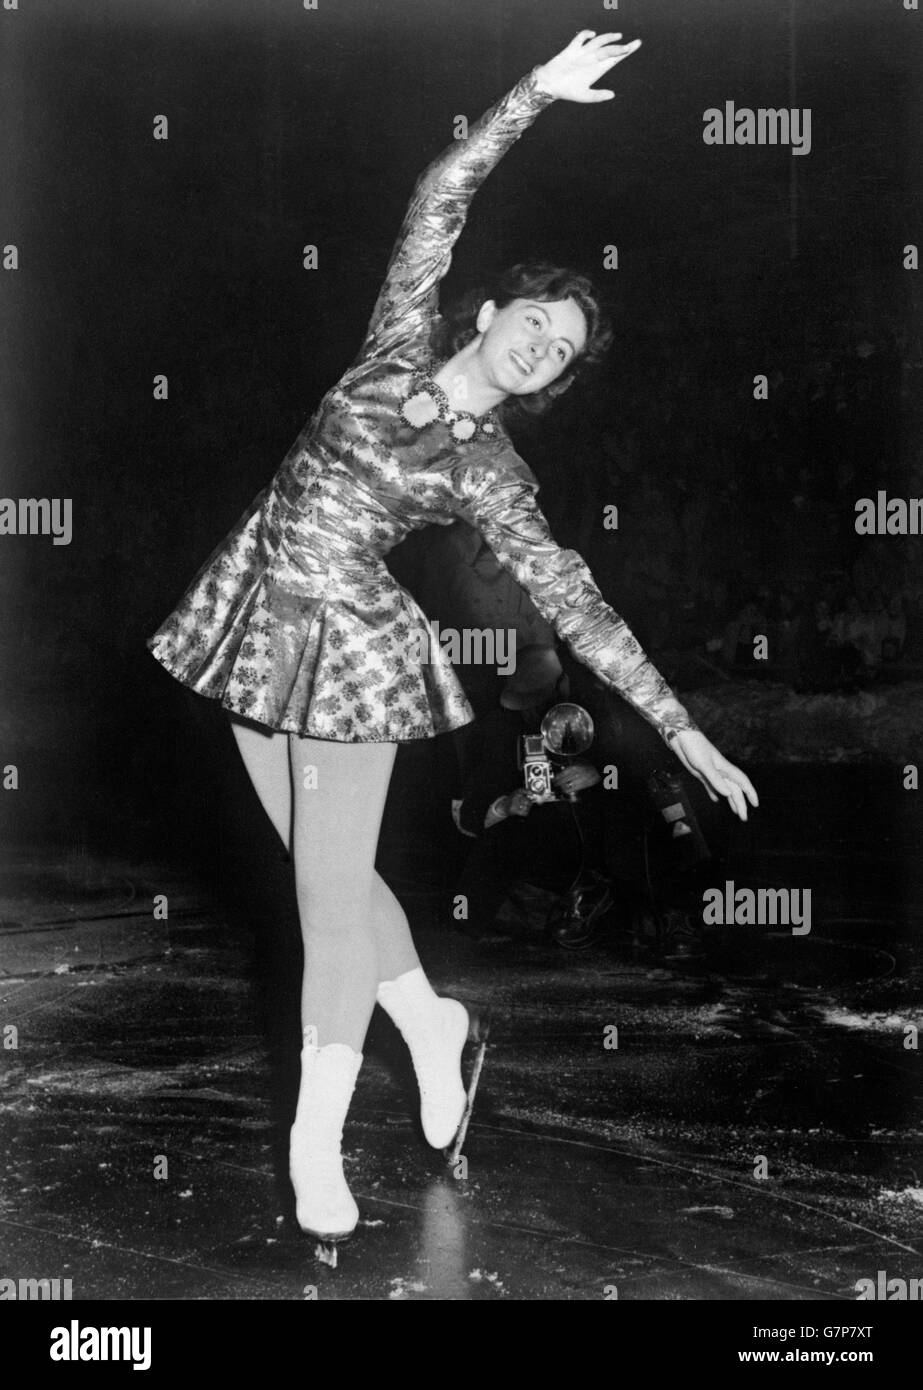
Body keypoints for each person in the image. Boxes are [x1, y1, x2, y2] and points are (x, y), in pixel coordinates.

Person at [147, 31, 758, 1245]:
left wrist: (680, 727)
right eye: (537, 318)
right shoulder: (393, 338)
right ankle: (430, 1022)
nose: (541, 343)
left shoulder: (493, 472)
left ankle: (312, 1145)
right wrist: (532, 95)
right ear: (491, 308)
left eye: (561, 352)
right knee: (327, 872)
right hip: (248, 614)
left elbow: (573, 601)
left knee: (323, 900)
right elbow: (440, 193)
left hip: (353, 655)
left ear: (547, 380)